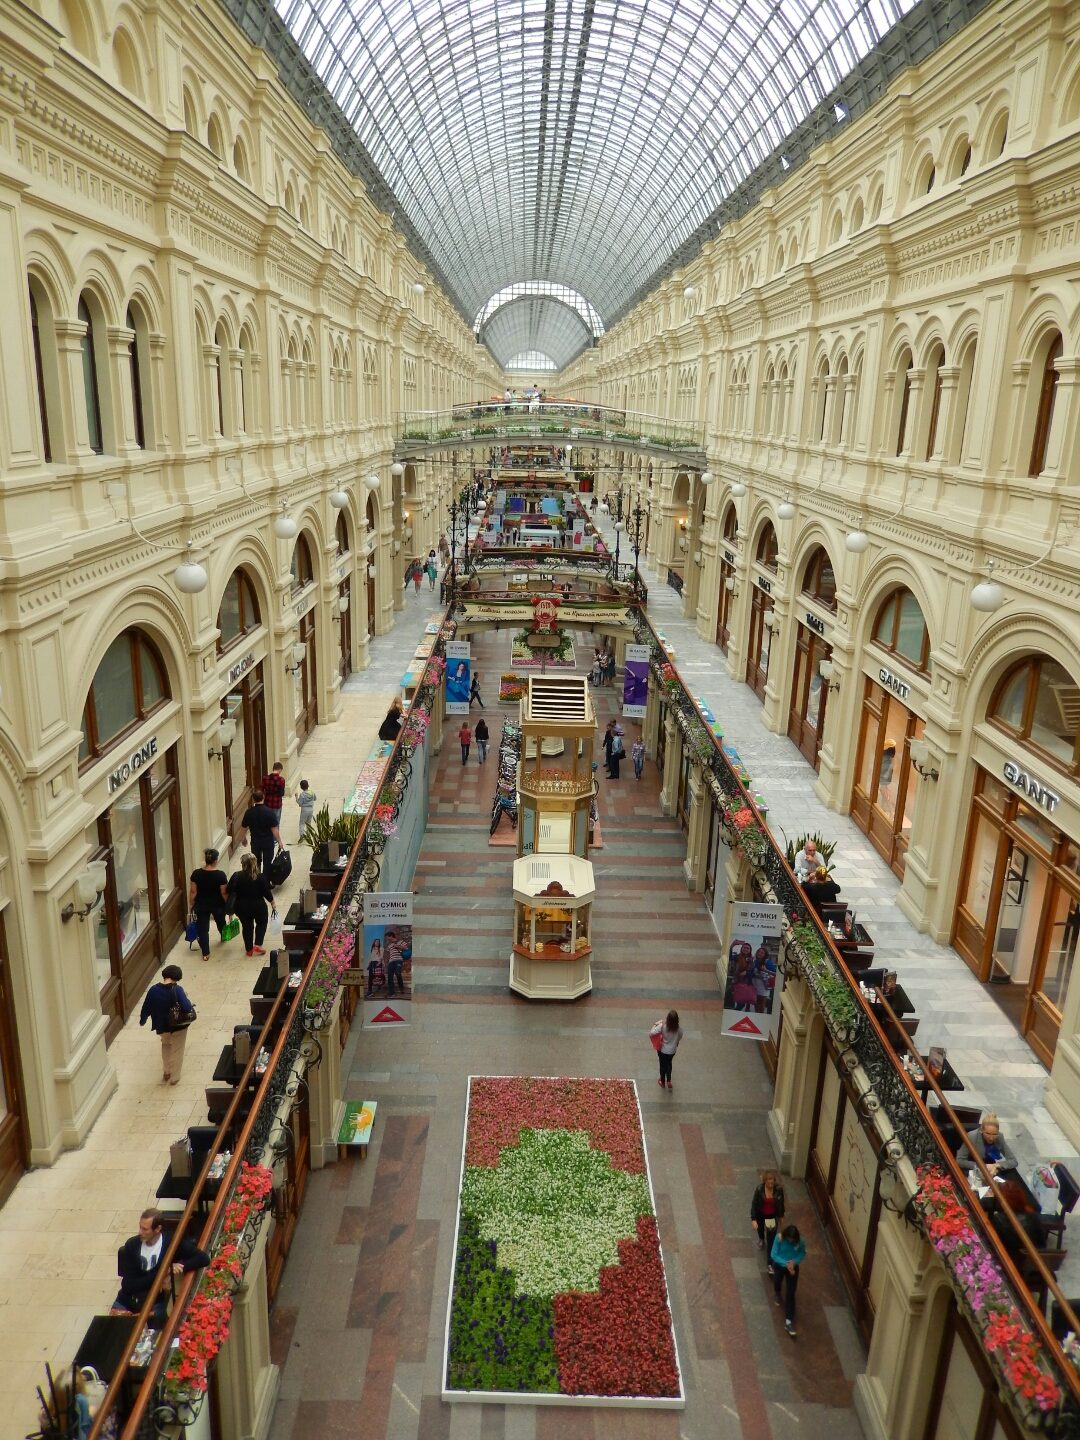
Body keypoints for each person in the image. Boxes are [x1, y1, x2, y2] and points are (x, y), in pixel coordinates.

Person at [114, 1208, 210, 1323]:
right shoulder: (132, 1245)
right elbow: (128, 1285)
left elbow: (203, 1258)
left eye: (145, 1229)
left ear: (158, 1229)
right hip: (126, 1301)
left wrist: (180, 1266)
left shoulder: (171, 1242)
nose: (140, 1232)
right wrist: (163, 1273)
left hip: (154, 1303)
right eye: (140, 1227)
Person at [139, 964, 195, 1085]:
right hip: (177, 1026)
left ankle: (167, 1071)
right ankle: (174, 1077)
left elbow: (146, 1007)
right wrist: (189, 1001)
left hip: (161, 1026)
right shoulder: (178, 990)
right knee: (177, 1050)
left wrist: (142, 1020)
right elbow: (186, 1007)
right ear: (178, 977)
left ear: (165, 975)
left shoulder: (153, 990)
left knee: (166, 1045)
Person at [228, 853, 275, 957]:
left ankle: (249, 949)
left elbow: (229, 890)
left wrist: (229, 911)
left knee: (247, 926)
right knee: (262, 922)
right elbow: (266, 892)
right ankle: (258, 944)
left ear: (242, 863)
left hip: (241, 907)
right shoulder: (260, 877)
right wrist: (272, 903)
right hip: (258, 905)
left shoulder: (236, 876)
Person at [187, 848, 228, 962]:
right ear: (215, 860)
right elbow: (223, 892)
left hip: (201, 904)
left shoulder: (196, 874)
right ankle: (224, 936)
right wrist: (228, 904)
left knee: (203, 929)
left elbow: (193, 892)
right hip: (217, 904)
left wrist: (191, 904)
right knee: (221, 921)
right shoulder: (220, 875)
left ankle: (205, 953)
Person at [771, 1225, 806, 1338]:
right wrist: (787, 1264)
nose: (791, 1241)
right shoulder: (779, 1238)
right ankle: (777, 1292)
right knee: (777, 1281)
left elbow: (802, 1253)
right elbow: (774, 1255)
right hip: (780, 1266)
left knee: (791, 1293)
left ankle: (788, 1321)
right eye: (789, 1238)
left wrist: (794, 1262)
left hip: (792, 1268)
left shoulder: (800, 1242)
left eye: (793, 1239)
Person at [239, 790, 282, 875]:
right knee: (267, 862)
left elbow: (243, 828)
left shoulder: (249, 812)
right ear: (263, 797)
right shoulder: (269, 812)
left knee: (256, 862)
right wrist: (279, 841)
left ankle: (257, 879)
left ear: (254, 800)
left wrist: (243, 839)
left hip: (255, 841)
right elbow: (274, 829)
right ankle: (266, 881)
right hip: (268, 842)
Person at [750, 1170, 786, 1270]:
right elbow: (754, 1204)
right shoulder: (759, 1189)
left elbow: (781, 1203)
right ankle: (761, 1238)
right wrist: (753, 1219)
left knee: (771, 1240)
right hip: (761, 1214)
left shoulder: (778, 1189)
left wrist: (781, 1215)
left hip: (772, 1216)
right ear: (764, 1181)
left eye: (772, 1182)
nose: (771, 1184)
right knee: (760, 1229)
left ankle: (770, 1263)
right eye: (768, 1182)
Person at [655, 1009, 683, 1090]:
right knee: (669, 1063)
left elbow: (652, 1033)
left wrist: (655, 1024)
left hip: (663, 1050)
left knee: (662, 1066)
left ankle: (662, 1082)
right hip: (672, 1051)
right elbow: (679, 1038)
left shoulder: (663, 1026)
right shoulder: (679, 1030)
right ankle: (669, 1081)